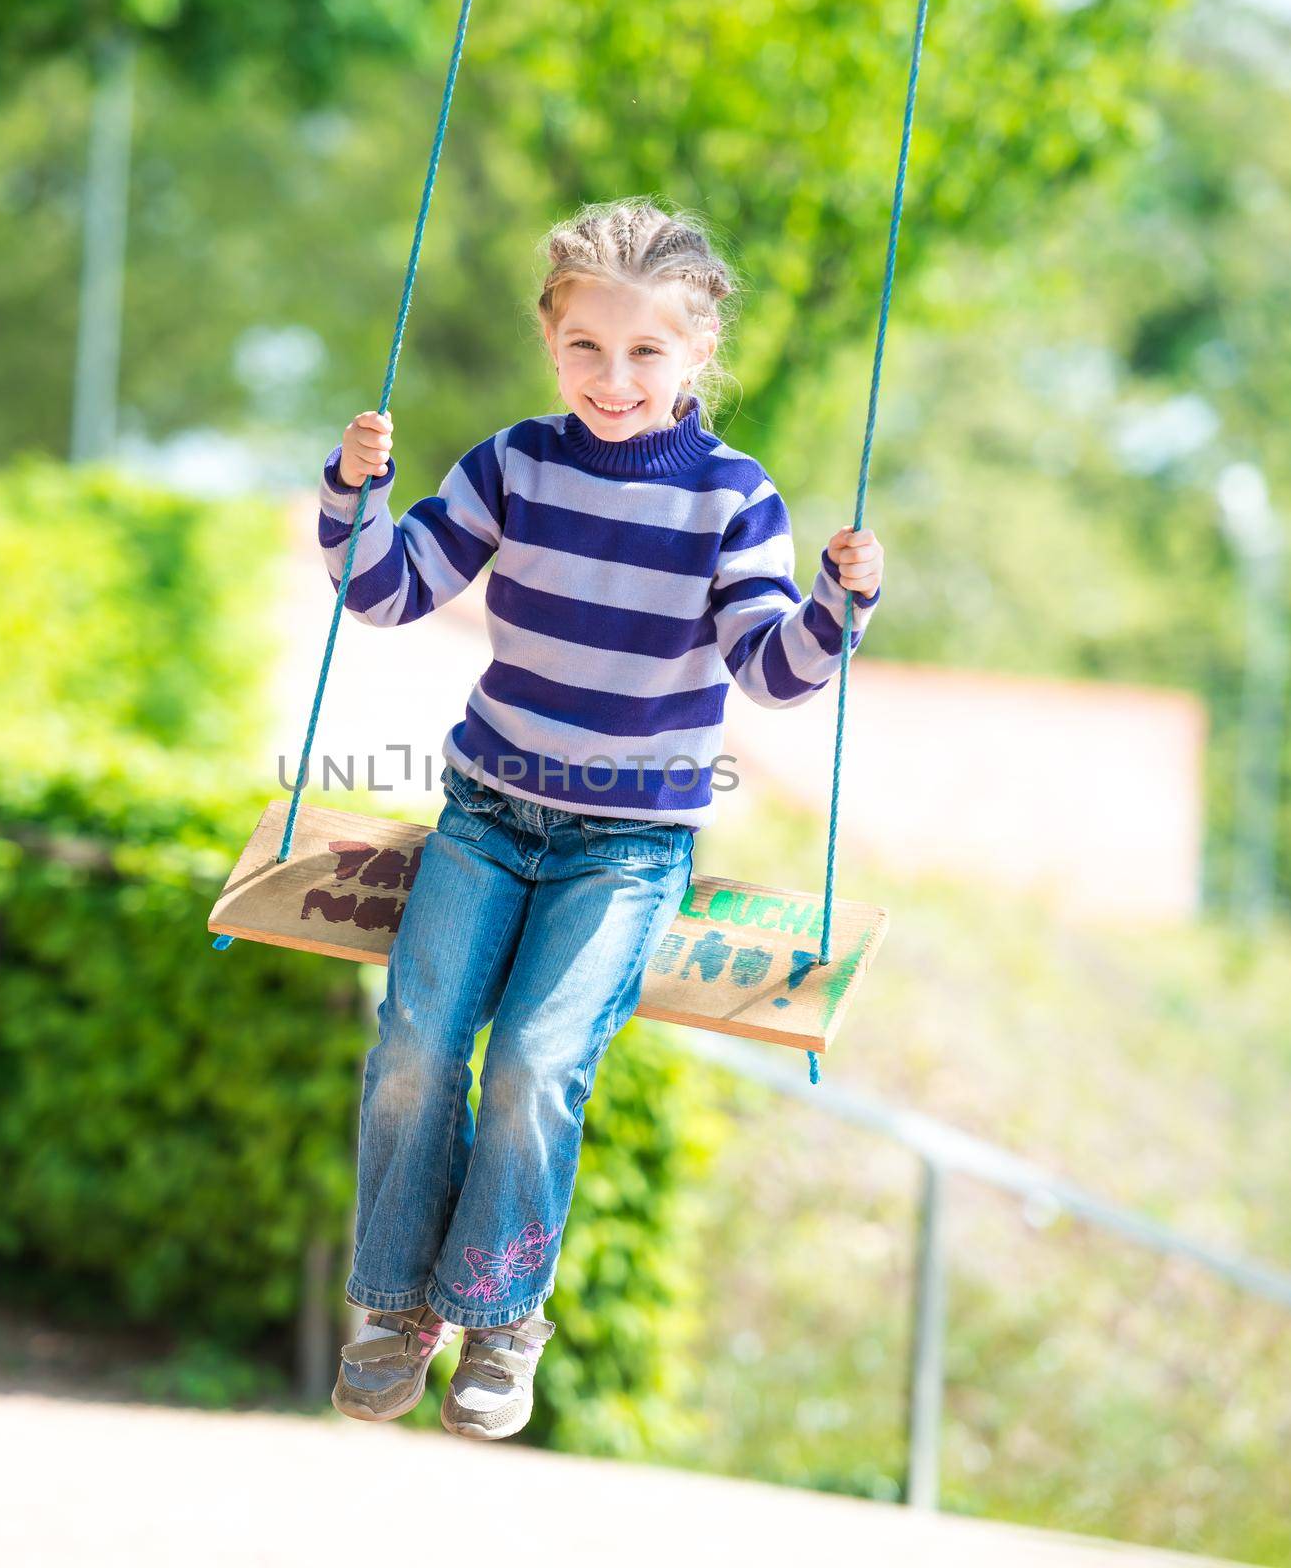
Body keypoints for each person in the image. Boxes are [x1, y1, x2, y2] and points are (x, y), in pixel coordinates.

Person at [321, 197, 885, 1441]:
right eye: (587, 348)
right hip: (487, 810)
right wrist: (353, 490)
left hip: (627, 850)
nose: (612, 378)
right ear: (550, 338)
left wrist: (840, 604)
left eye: (644, 354)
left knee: (533, 1060)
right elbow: (386, 591)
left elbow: (774, 672)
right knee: (417, 1044)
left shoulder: (735, 500)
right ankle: (396, 1308)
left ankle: (501, 1311)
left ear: (695, 358)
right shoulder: (515, 462)